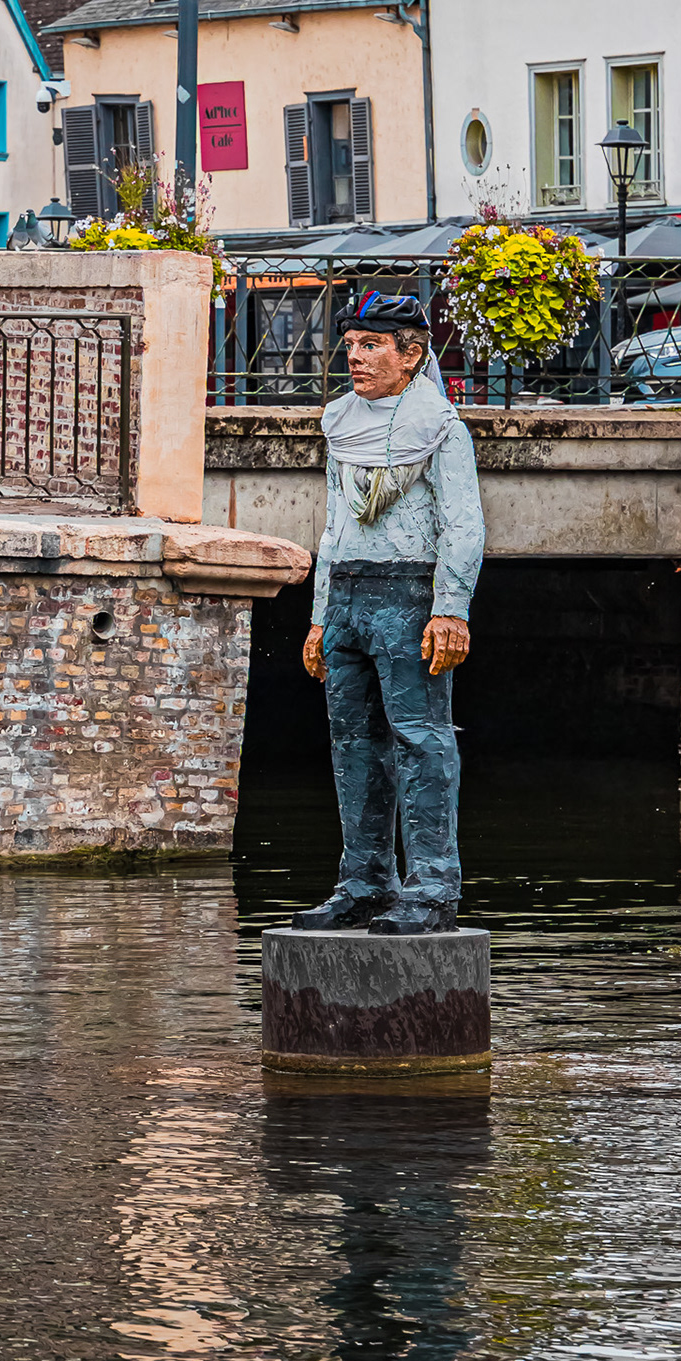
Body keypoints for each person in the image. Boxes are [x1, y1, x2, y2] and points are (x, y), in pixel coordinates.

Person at [295, 292, 484, 936]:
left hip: (408, 595)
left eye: (371, 344)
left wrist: (450, 608)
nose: (355, 356)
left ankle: (431, 887)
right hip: (348, 593)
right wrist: (321, 615)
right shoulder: (339, 424)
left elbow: (463, 527)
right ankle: (364, 882)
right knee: (351, 744)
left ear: (411, 354)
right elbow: (333, 524)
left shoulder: (442, 428)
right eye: (350, 344)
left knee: (422, 739)